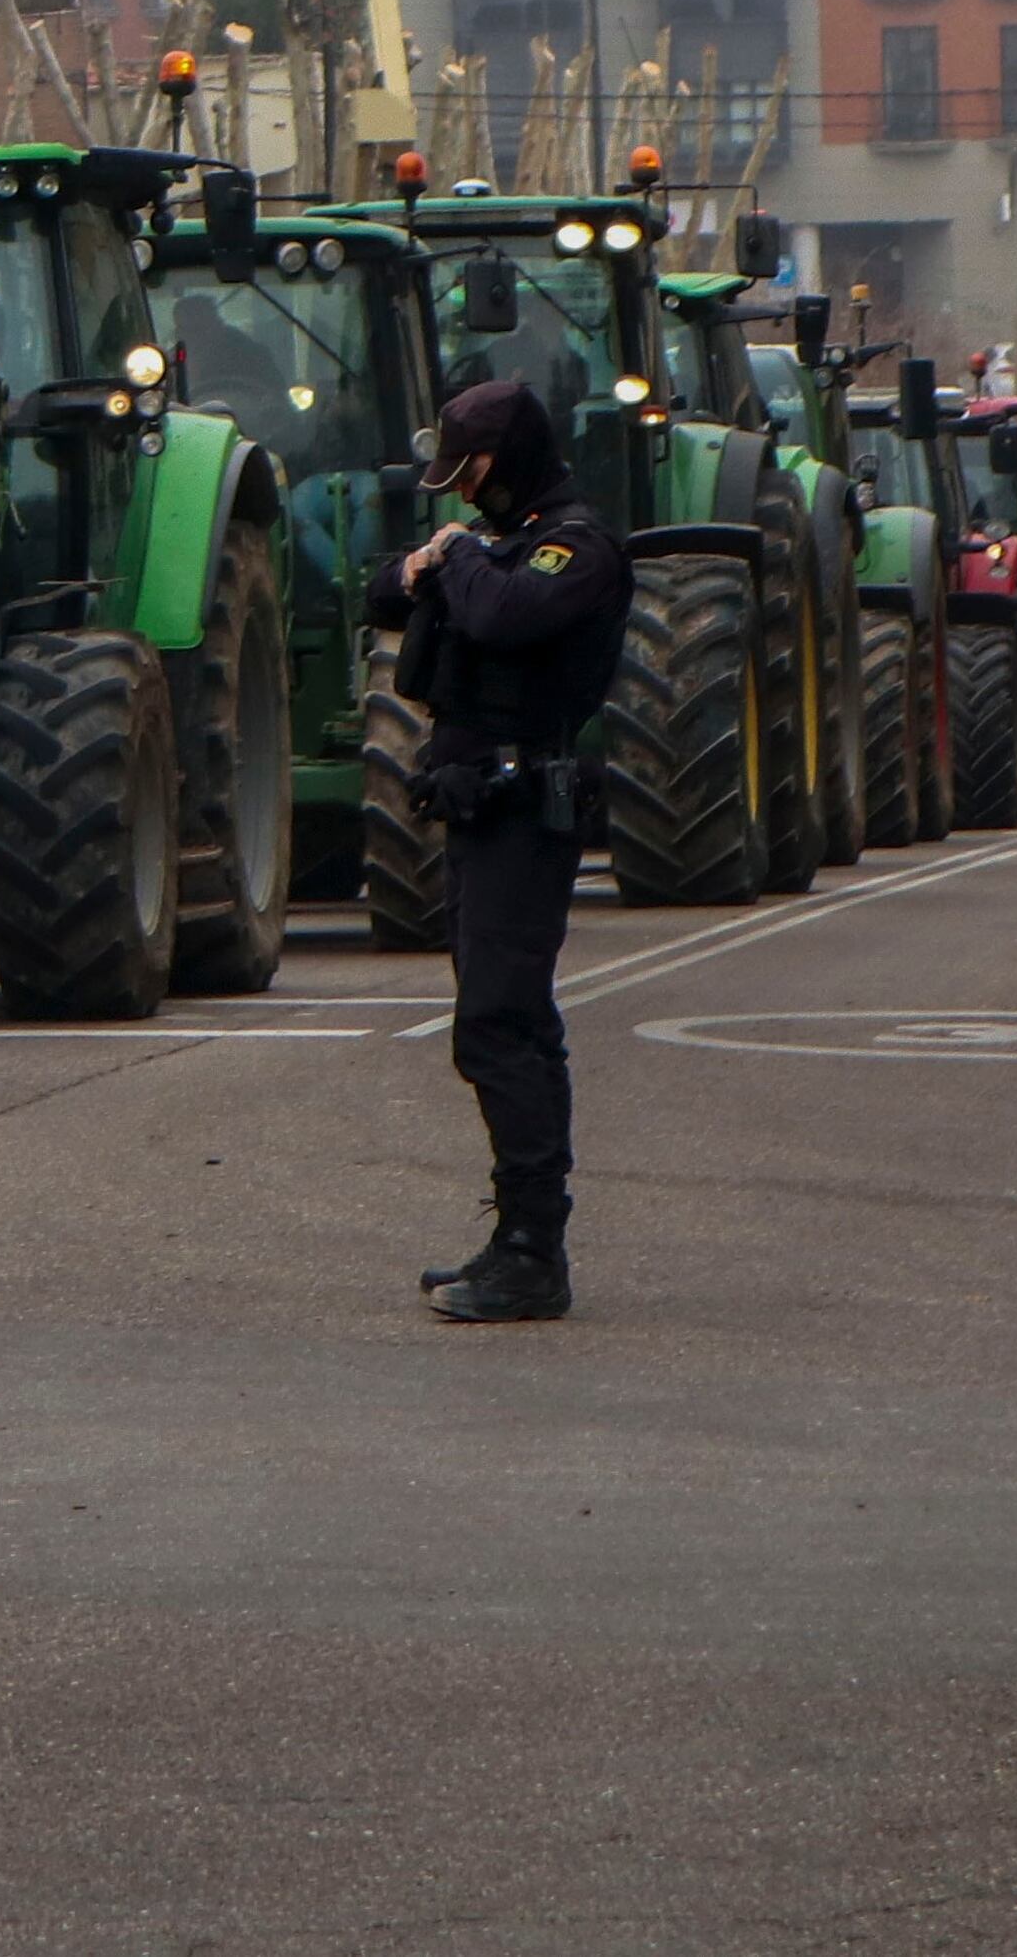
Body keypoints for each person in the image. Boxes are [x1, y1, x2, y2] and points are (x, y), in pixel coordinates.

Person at [365, 373, 633, 1323]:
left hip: (528, 807)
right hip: (477, 806)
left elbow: (501, 614)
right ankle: (519, 1234)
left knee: (498, 1025)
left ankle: (533, 1252)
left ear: (507, 460)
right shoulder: (498, 546)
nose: (462, 492)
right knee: (507, 1020)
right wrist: (419, 568)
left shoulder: (577, 547)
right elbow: (389, 594)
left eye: (469, 472)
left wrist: (460, 558)